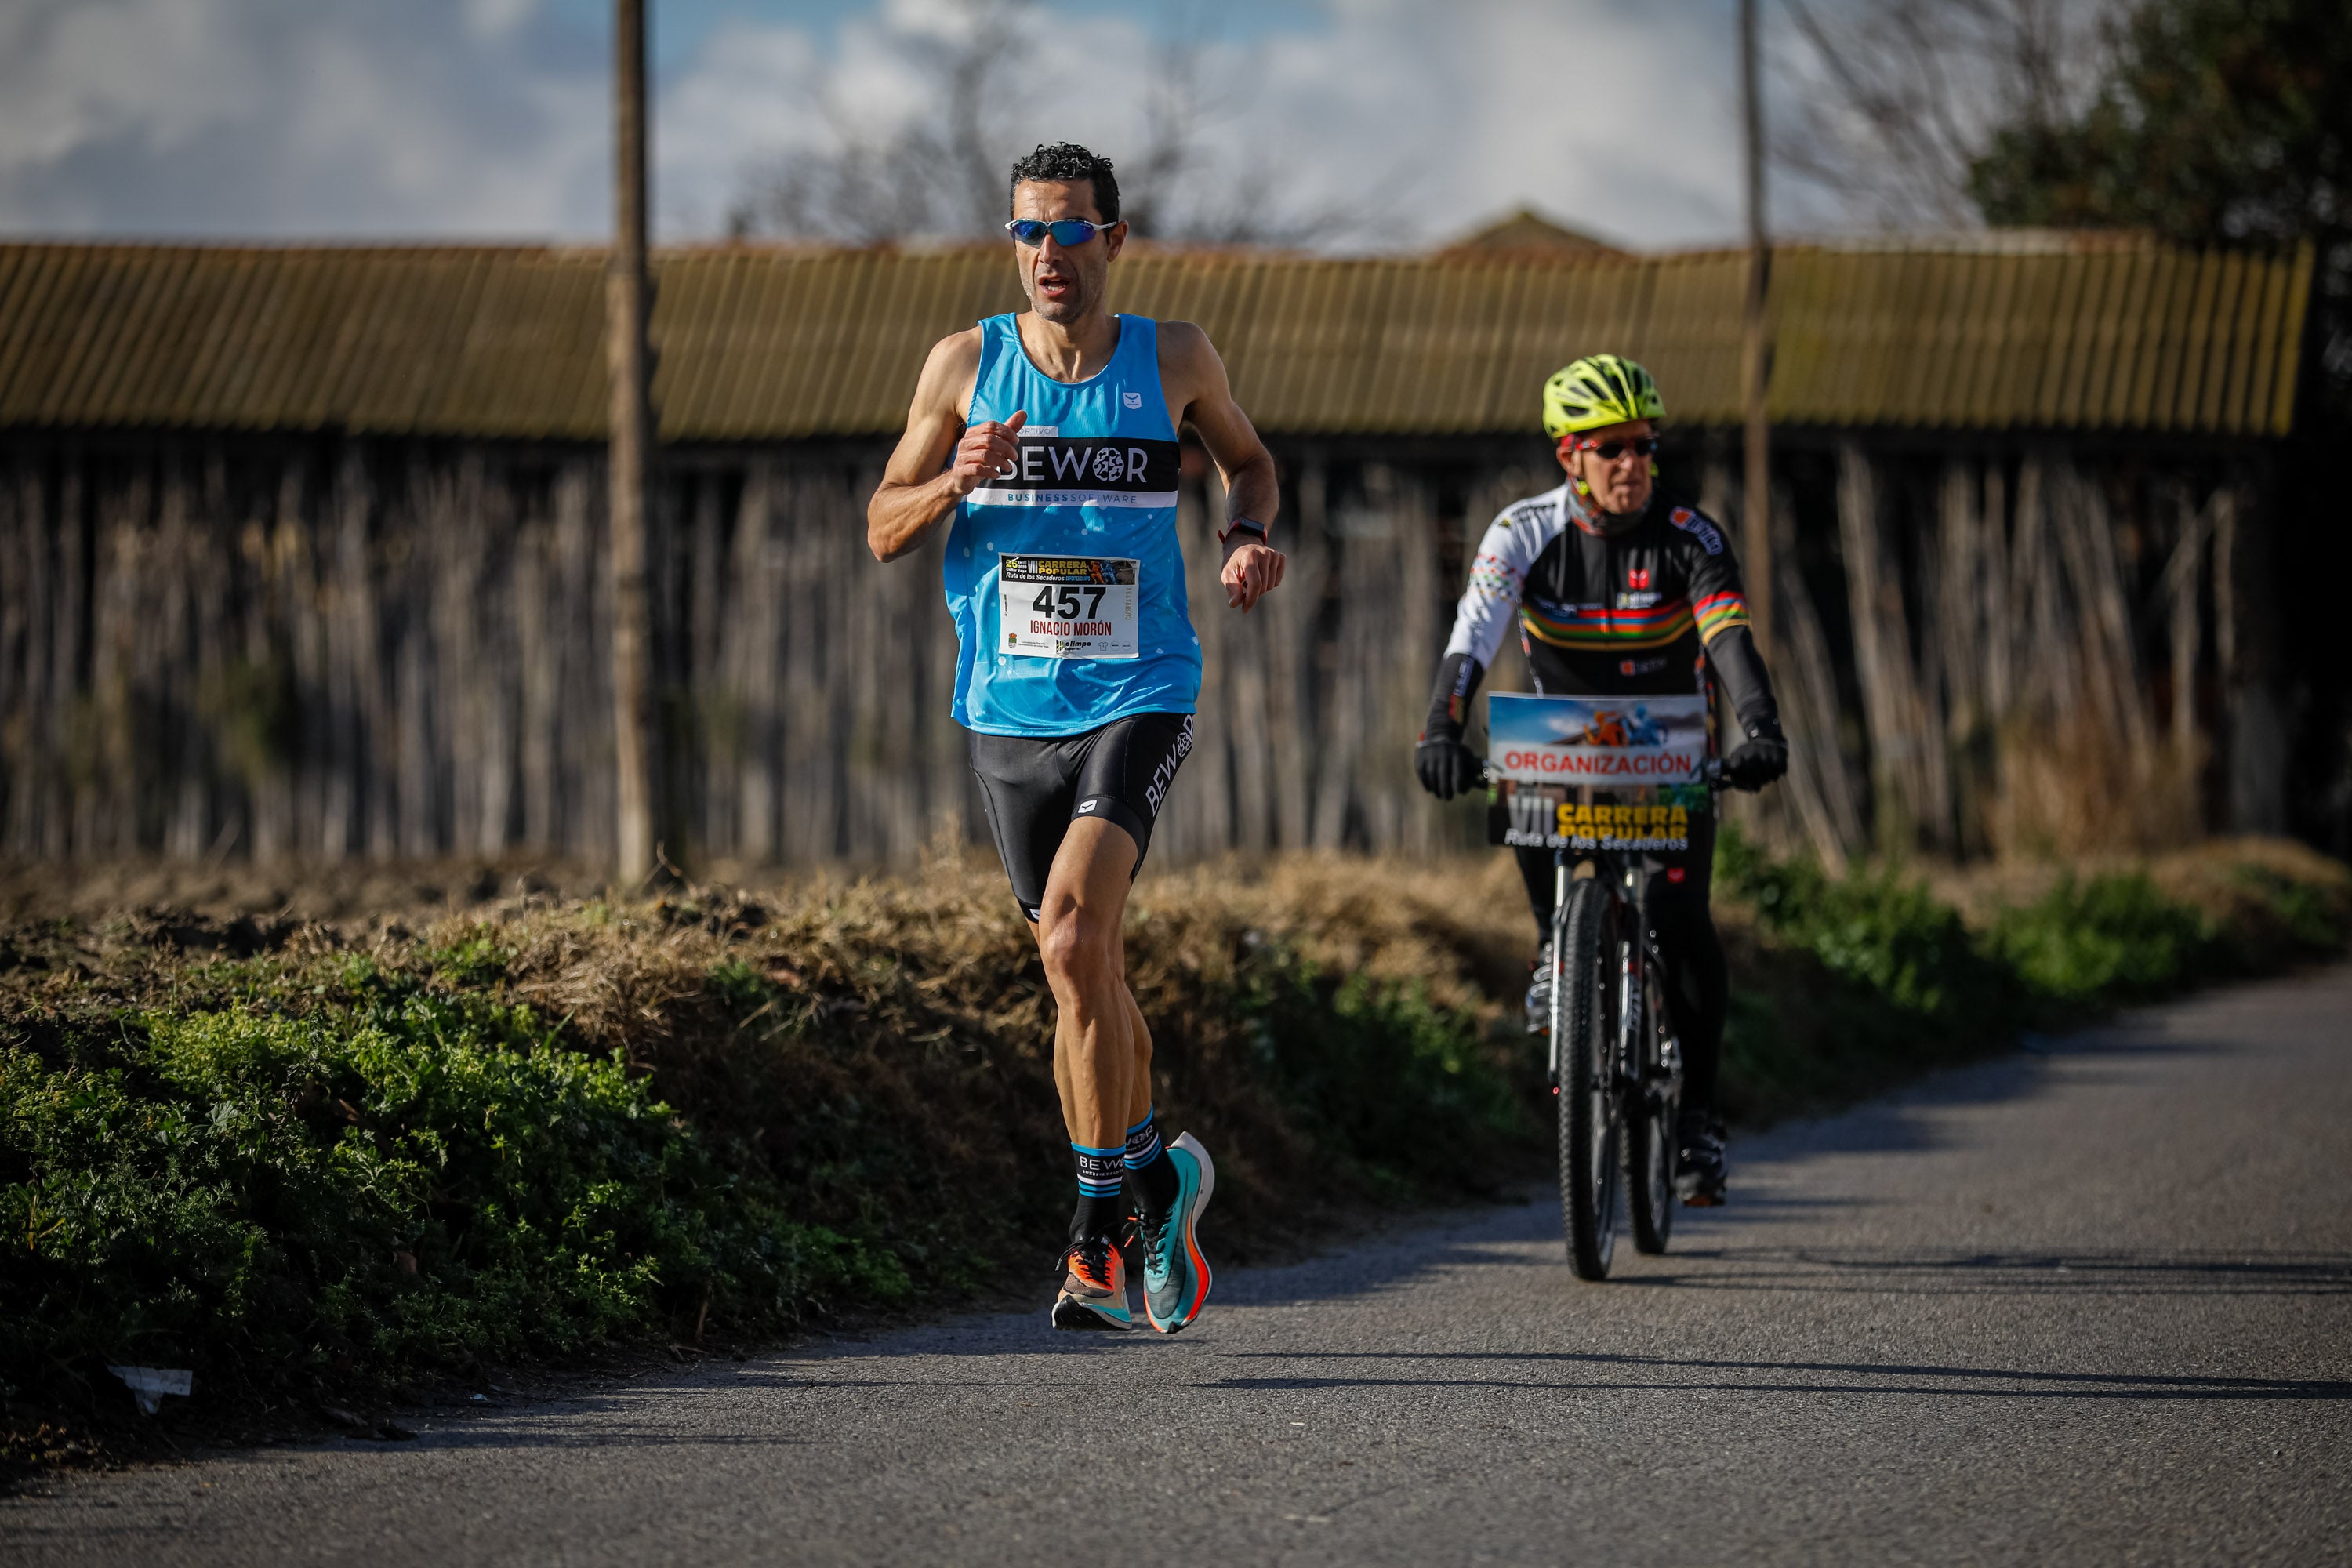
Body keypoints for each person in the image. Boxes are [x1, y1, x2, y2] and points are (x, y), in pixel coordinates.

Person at [867, 143, 1286, 1330]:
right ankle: (1159, 1181)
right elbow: (882, 525)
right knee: (1081, 971)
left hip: (1140, 690)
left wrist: (1244, 537)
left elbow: (1250, 464)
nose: (1048, 253)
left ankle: (1095, 1241)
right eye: (1028, 231)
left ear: (1114, 239)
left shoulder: (1175, 357)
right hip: (1008, 712)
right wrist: (954, 478)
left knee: (1070, 940)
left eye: (1068, 229)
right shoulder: (963, 366)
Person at [1412, 354, 1787, 1206]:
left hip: (1667, 745)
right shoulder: (1522, 532)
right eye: (1611, 448)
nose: (1632, 464)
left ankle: (1698, 1120)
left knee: (1680, 919)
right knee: (1515, 767)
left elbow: (1730, 640)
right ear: (1569, 456)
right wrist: (1439, 730)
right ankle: (1556, 947)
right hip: (1565, 744)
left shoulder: (1690, 537)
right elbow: (1473, 634)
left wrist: (1762, 728)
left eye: (1644, 446)